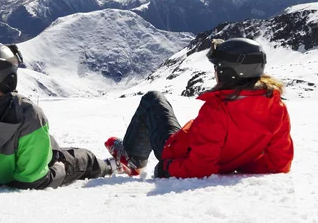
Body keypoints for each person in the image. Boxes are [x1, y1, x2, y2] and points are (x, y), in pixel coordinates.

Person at [0, 41, 118, 189]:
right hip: (39, 165)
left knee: (50, 144)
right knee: (81, 158)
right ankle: (112, 166)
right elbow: (32, 180)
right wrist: (59, 167)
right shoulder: (28, 115)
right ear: (7, 76)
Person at [105, 37, 294, 179]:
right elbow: (279, 163)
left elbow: (199, 167)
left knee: (153, 100)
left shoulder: (218, 110)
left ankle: (131, 158)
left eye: (218, 67)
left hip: (175, 152)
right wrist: (238, 164)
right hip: (201, 149)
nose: (215, 72)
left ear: (227, 73)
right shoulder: (276, 107)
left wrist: (167, 167)